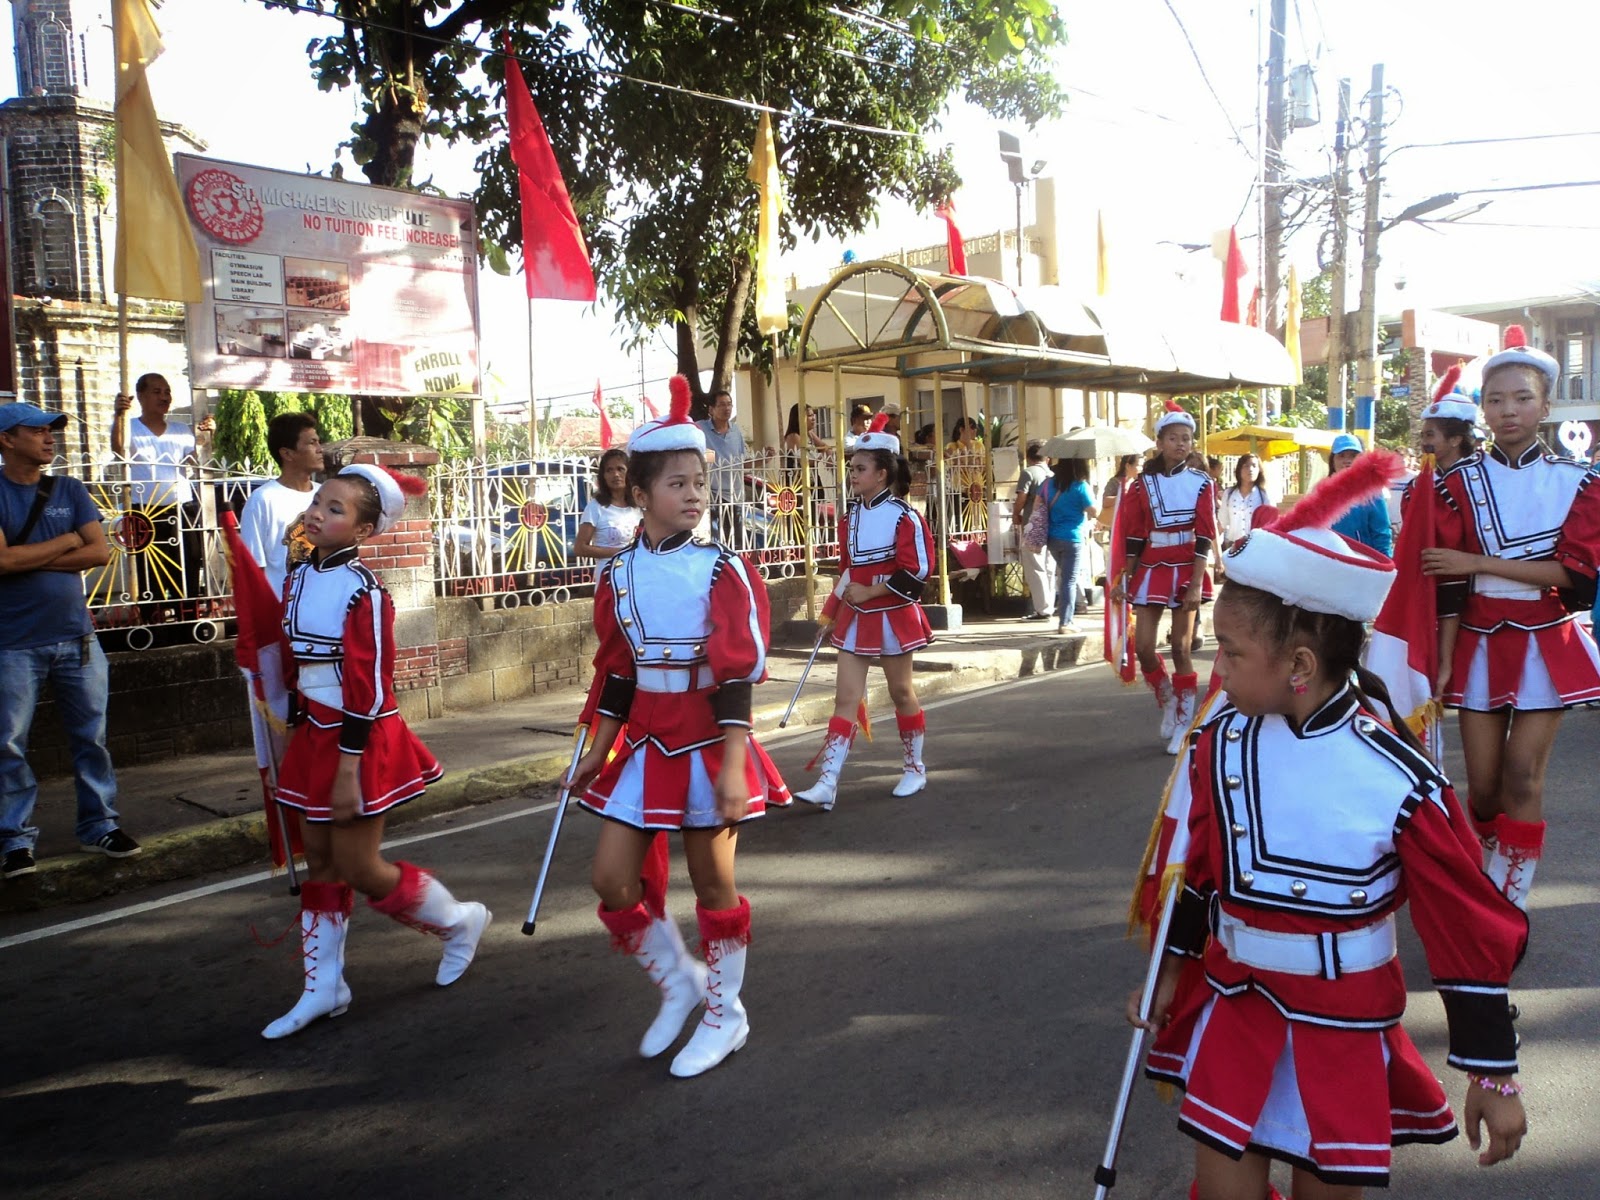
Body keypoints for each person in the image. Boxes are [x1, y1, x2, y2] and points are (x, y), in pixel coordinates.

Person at [1127, 451, 1530, 1199]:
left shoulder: (1397, 781)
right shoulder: (1222, 744)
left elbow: (1465, 923)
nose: (1221, 667)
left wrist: (1494, 1074)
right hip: (1236, 1002)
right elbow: (1207, 867)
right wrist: (1172, 968)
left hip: (1340, 1025)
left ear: (1300, 664)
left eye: (1234, 651)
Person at [566, 375, 789, 1078]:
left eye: (698, 482)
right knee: (611, 880)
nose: (693, 494)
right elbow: (618, 675)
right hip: (645, 745)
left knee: (712, 884)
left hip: (706, 741)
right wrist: (596, 754)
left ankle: (727, 1014)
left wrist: (730, 765)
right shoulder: (619, 576)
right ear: (639, 495)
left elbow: (735, 673)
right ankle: (681, 980)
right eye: (677, 484)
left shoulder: (723, 569)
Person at [262, 464, 490, 1039]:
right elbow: (294, 664)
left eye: (335, 509)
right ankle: (324, 987)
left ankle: (459, 922)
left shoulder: (365, 591)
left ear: (364, 532)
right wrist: (287, 720)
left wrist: (347, 768)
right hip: (313, 732)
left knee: (361, 866)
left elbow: (369, 685)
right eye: (318, 501)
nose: (317, 512)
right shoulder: (297, 575)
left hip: (358, 738)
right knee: (319, 858)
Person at [1419, 326, 1600, 909]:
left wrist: (1476, 560)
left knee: (1524, 776)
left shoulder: (1582, 483)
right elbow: (1446, 585)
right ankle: (1492, 854)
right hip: (1474, 641)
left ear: (1546, 404)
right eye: (1495, 399)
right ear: (1482, 409)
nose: (1508, 410)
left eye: (1522, 397)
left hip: (1547, 639)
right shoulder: (1452, 483)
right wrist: (1442, 661)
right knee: (1488, 788)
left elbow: (1575, 577)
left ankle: (1507, 901)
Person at [0, 403, 137, 880]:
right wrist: (64, 543)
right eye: (36, 431)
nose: (49, 438)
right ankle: (14, 839)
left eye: (52, 430)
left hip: (76, 638)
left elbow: (99, 551)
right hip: (12, 642)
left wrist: (29, 554)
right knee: (9, 743)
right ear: (6, 439)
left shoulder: (70, 489)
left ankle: (100, 823)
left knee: (91, 738)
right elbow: (2, 563)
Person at [794, 414, 935, 809]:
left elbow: (918, 573)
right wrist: (830, 615)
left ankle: (914, 768)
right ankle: (828, 781)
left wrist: (871, 591)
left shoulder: (906, 516)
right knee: (845, 698)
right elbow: (847, 573)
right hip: (856, 617)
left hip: (892, 613)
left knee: (901, 691)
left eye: (859, 468)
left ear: (883, 473)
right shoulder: (850, 517)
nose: (852, 474)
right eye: (851, 467)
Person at [1111, 401, 1215, 753]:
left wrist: (1198, 581)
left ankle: (1186, 718)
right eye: (1174, 438)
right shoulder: (1142, 484)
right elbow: (1135, 532)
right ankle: (1168, 698)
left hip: (1188, 565)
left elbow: (1204, 533)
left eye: (1186, 438)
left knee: (1181, 646)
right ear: (1159, 442)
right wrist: (1126, 572)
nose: (1181, 444)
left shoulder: (1202, 482)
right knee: (1143, 647)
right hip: (1153, 565)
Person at [111, 373, 215, 603]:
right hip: (144, 511)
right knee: (149, 573)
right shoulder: (129, 427)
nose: (164, 397)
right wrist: (119, 414)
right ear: (141, 396)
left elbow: (198, 461)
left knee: (187, 566)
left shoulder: (180, 430)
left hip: (180, 509)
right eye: (156, 392)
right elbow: (119, 450)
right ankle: (155, 625)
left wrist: (208, 436)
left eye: (167, 392)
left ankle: (188, 617)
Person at [238, 412, 321, 599]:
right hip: (283, 611)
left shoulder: (325, 495)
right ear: (287, 453)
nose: (320, 449)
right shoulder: (263, 500)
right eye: (311, 443)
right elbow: (253, 569)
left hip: (325, 607)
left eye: (318, 441)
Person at [1037, 457, 1099, 633]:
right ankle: (1066, 622)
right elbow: (1094, 512)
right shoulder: (1081, 486)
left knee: (1064, 578)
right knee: (1069, 581)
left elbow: (1037, 507)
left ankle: (1066, 619)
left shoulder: (1047, 484)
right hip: (1073, 539)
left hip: (1052, 538)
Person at [695, 388, 746, 549]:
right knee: (716, 541)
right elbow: (702, 457)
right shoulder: (701, 429)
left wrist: (767, 458)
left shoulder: (736, 431)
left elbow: (743, 460)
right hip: (714, 495)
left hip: (736, 495)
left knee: (738, 541)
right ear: (711, 409)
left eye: (729, 404)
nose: (727, 408)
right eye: (722, 405)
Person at [1327, 434, 1393, 555]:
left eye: (1353, 455)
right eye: (1341, 456)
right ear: (1332, 461)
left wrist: (1386, 563)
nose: (1347, 461)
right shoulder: (1323, 492)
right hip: (1331, 562)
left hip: (1363, 564)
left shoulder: (1372, 492)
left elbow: (1382, 534)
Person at [1013, 439, 1054, 621]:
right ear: (1047, 457)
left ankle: (1042, 609)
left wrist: (1016, 513)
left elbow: (1022, 497)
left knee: (1034, 567)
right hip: (1052, 524)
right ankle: (1049, 605)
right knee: (1049, 566)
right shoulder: (1053, 475)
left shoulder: (1028, 473)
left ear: (1028, 457)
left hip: (1033, 525)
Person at [575, 448, 640, 561]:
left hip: (636, 572)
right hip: (608, 574)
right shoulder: (595, 507)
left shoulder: (639, 505)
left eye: (620, 469)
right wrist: (620, 552)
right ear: (603, 476)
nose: (615, 474)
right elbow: (580, 548)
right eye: (609, 470)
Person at [1219, 453, 1271, 549]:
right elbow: (1222, 522)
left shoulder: (1264, 495)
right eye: (1246, 466)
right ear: (1239, 470)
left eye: (1254, 466)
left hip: (1257, 546)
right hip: (1232, 546)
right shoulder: (1229, 493)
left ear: (1259, 470)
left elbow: (1270, 524)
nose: (1250, 469)